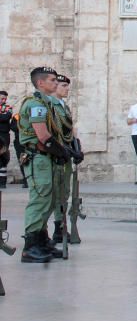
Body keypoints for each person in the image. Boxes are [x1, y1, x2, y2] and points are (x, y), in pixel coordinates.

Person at [18, 67, 65, 263]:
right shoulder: (36, 104)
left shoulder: (47, 104)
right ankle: (30, 247)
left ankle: (42, 240)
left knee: (48, 200)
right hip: (38, 158)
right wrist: (63, 152)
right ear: (40, 83)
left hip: (46, 158)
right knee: (40, 199)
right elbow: (43, 136)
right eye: (52, 80)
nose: (56, 83)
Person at [50, 74, 77, 249]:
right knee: (53, 193)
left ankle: (60, 227)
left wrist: (76, 146)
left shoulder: (64, 107)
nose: (67, 89)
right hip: (55, 155)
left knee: (64, 192)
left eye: (67, 86)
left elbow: (69, 129)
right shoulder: (49, 106)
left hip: (66, 154)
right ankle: (42, 232)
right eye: (63, 86)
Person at [0, 90, 12, 188]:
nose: (3, 100)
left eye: (5, 99)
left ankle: (2, 182)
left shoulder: (8, 107)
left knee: (3, 156)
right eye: (1, 98)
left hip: (4, 135)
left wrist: (3, 116)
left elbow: (7, 117)